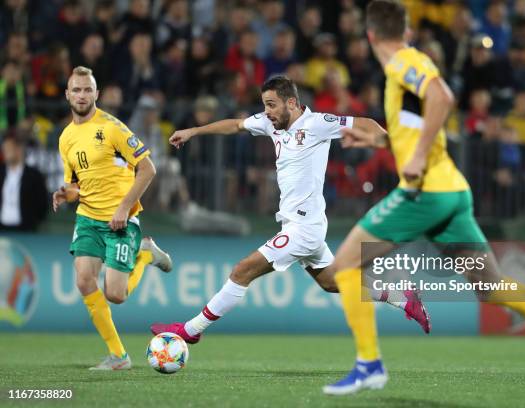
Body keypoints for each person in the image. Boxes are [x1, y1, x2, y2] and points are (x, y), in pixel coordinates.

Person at [323, 0, 525, 396]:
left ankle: (368, 364)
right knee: (491, 286)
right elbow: (418, 128)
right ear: (403, 30)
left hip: (425, 195)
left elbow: (441, 96)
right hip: (451, 195)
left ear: (370, 35)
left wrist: (417, 155)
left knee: (343, 266)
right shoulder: (403, 68)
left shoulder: (402, 62)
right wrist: (379, 138)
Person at [150, 75, 430, 343]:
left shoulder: (318, 124)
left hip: (305, 228)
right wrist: (194, 131)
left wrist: (391, 144)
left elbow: (367, 124)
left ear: (292, 103)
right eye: (264, 105)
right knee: (332, 283)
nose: (266, 112)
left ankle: (190, 330)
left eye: (271, 105)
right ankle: (402, 296)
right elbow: (236, 125)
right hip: (298, 224)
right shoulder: (271, 123)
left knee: (242, 271)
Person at [52, 66, 173, 370]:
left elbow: (148, 169)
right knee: (83, 280)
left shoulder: (112, 127)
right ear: (67, 94)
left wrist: (123, 209)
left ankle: (144, 255)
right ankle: (119, 356)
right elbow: (78, 182)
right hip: (88, 218)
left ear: (96, 94)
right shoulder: (66, 137)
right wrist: (68, 193)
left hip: (120, 219)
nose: (81, 95)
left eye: (87, 89)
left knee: (115, 295)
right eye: (76, 90)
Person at [0, 136, 48, 231]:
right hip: (2, 229)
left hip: (25, 230)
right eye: (4, 149)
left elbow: (42, 203)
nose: (5, 152)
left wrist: (33, 222)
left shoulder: (34, 175)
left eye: (9, 149)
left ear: (18, 150)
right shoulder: (1, 173)